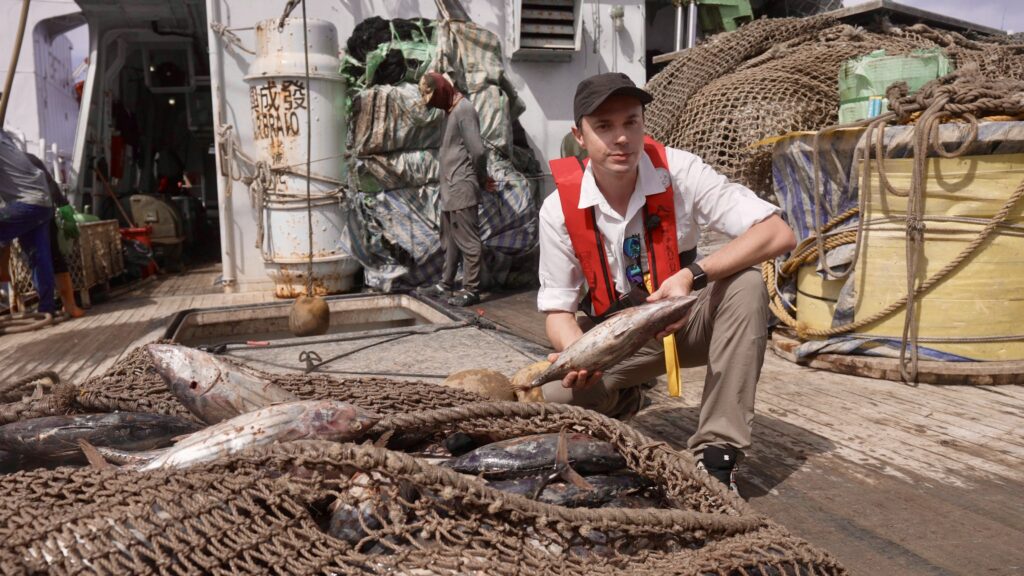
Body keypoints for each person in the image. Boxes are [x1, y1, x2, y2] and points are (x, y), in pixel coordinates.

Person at [535, 73, 797, 492]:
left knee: (746, 284)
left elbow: (777, 233)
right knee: (558, 397)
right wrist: (577, 356)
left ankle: (716, 455)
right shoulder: (557, 210)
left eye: (631, 122)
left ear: (643, 124)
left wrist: (692, 275)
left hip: (685, 323)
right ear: (579, 136)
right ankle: (623, 396)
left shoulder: (680, 170)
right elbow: (558, 310)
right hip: (614, 340)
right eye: (603, 126)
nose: (620, 138)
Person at [416, 72, 495, 307]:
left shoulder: (464, 110)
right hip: (449, 188)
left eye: (434, 99)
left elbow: (478, 151)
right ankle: (446, 283)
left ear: (443, 91)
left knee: (468, 241)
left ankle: (471, 289)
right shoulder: (449, 111)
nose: (433, 105)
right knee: (449, 240)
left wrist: (481, 179)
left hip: (461, 186)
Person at [0, 130, 57, 317]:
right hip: (42, 201)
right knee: (38, 256)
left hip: (28, 203)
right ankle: (47, 308)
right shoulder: (5, 138)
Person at [25, 153, 84, 318]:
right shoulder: (28, 158)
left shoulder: (25, 159)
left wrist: (64, 208)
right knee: (51, 256)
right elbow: (50, 184)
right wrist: (65, 208)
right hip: (41, 209)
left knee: (37, 258)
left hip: (25, 212)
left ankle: (53, 307)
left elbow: (49, 184)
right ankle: (68, 306)